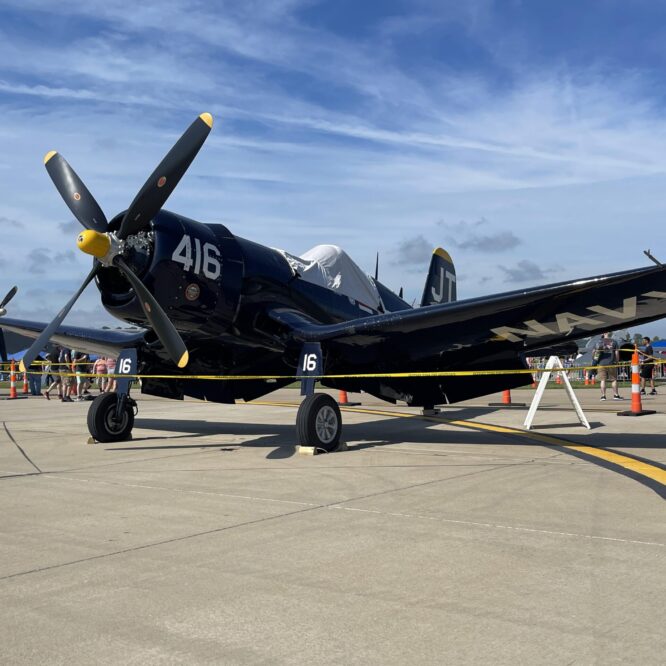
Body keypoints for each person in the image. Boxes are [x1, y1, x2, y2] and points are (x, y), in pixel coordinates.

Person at [593, 332, 623, 401]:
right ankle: (616, 395)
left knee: (603, 380)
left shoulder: (598, 342)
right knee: (614, 380)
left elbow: (594, 353)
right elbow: (617, 353)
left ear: (603, 333)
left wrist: (595, 361)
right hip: (611, 363)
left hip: (601, 363)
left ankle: (603, 396)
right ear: (610, 333)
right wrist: (617, 362)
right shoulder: (614, 342)